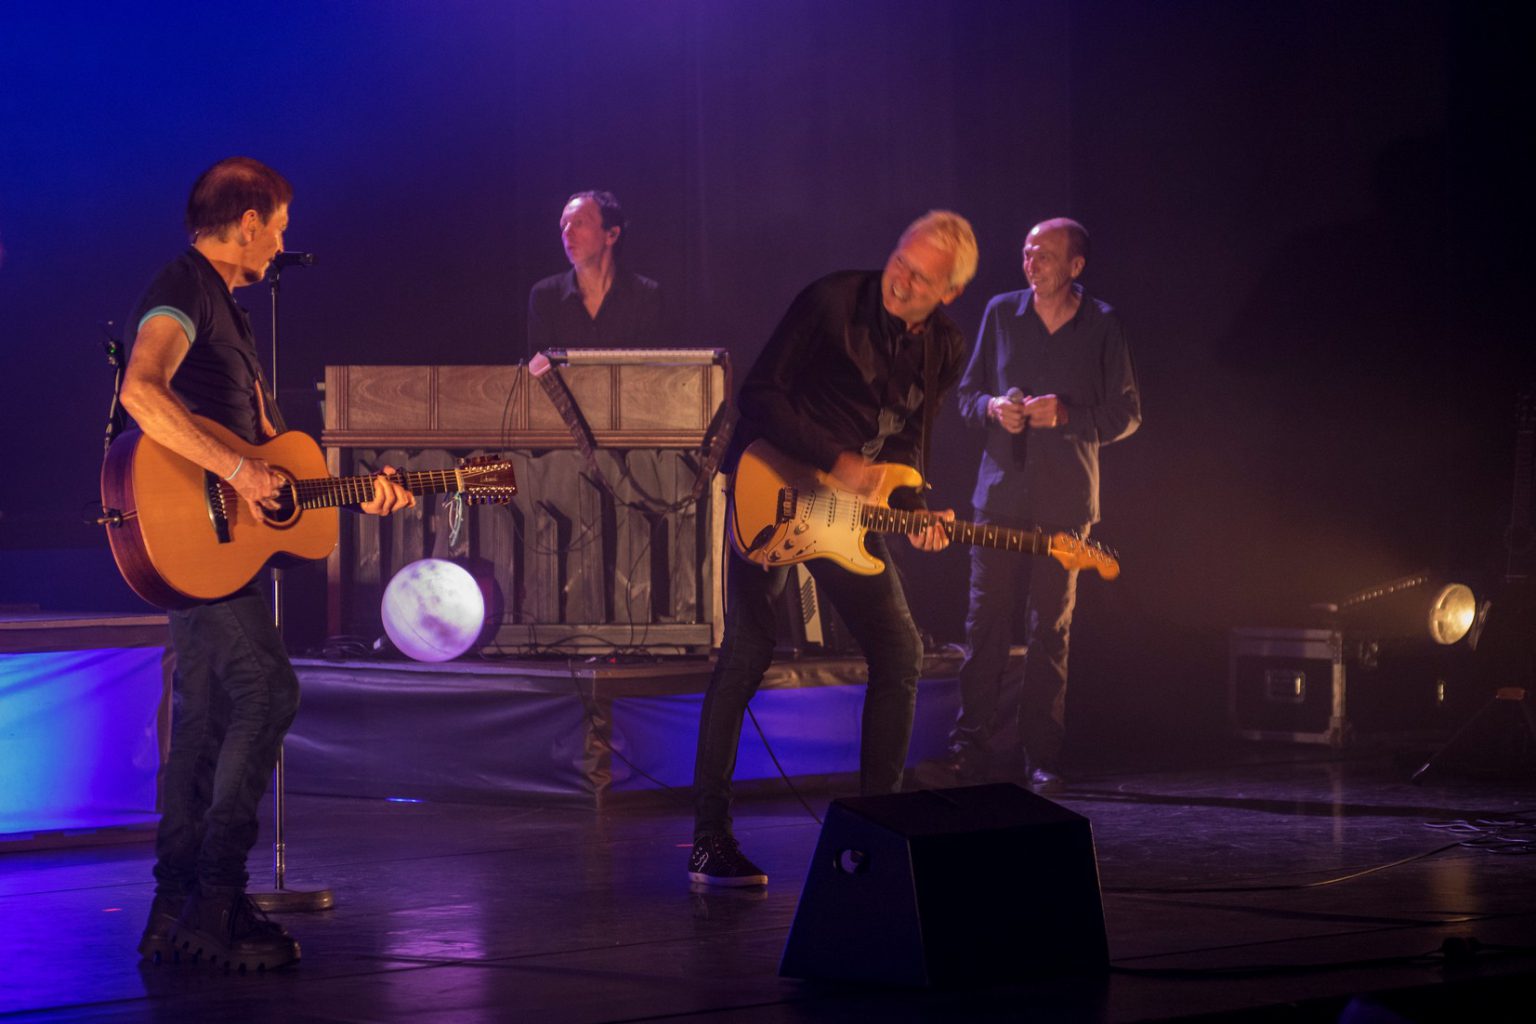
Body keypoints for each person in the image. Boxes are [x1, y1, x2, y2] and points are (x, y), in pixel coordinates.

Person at [120, 157, 416, 971]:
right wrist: (242, 473)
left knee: (206, 721)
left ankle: (174, 908)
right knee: (271, 691)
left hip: (217, 550)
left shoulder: (226, 312)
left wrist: (360, 491)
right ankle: (217, 900)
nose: (285, 240)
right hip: (196, 530)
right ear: (249, 220)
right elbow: (142, 391)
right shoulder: (183, 288)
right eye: (280, 224)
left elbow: (277, 466)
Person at [688, 211, 978, 887]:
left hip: (847, 515)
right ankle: (709, 839)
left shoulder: (946, 349)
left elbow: (906, 445)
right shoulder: (831, 301)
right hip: (773, 483)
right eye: (900, 260)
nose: (901, 280)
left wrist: (912, 510)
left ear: (949, 293)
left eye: (921, 277)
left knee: (899, 650)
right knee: (749, 653)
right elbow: (758, 394)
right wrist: (837, 460)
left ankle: (878, 834)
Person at [946, 217, 1141, 792]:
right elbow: (963, 396)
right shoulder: (1001, 312)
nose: (1032, 264)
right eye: (1027, 253)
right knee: (984, 623)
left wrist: (1067, 416)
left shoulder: (1103, 324)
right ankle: (970, 747)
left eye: (1046, 256)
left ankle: (1041, 753)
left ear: (1076, 266)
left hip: (1065, 502)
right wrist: (989, 408)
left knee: (1049, 630)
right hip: (999, 494)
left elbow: (1127, 413)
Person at [525, 190, 662, 358]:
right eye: (563, 225)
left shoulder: (645, 295)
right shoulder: (545, 296)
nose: (566, 233)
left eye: (578, 222)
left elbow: (652, 373)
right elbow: (540, 374)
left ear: (611, 235)